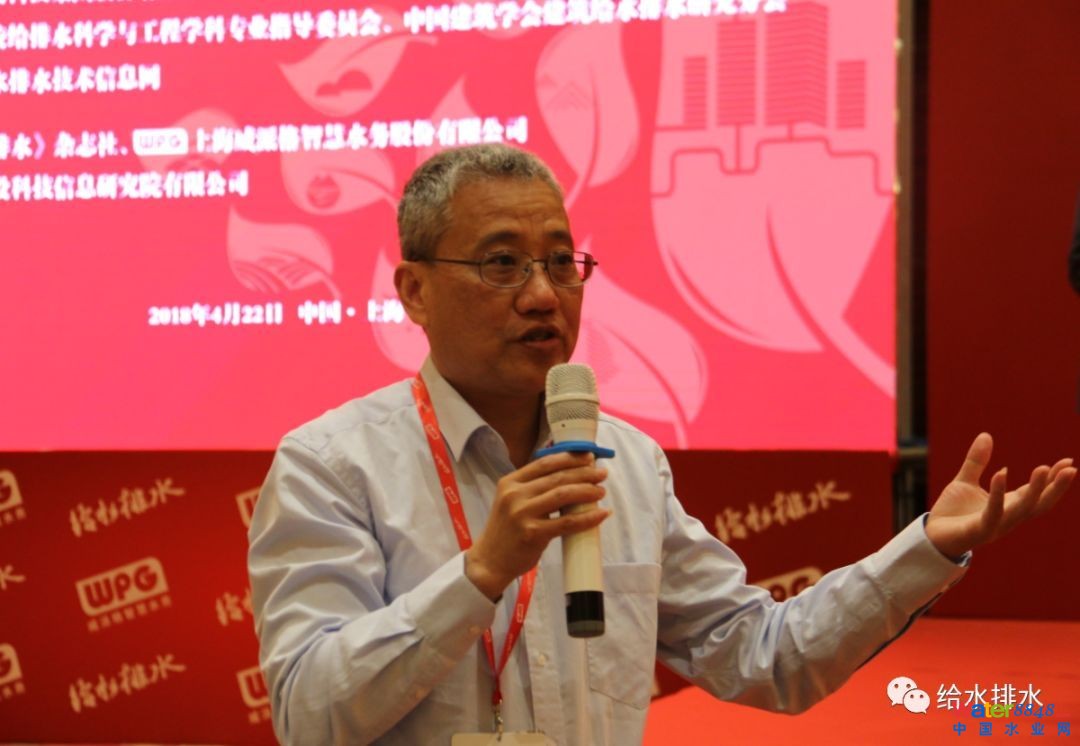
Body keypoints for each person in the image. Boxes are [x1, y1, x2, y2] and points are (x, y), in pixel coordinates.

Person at [248, 144, 1075, 745]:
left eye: (561, 262)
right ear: (415, 291)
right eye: (502, 264)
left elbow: (767, 659)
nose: (542, 295)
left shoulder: (627, 464)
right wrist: (480, 574)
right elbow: (308, 714)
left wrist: (927, 547)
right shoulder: (333, 465)